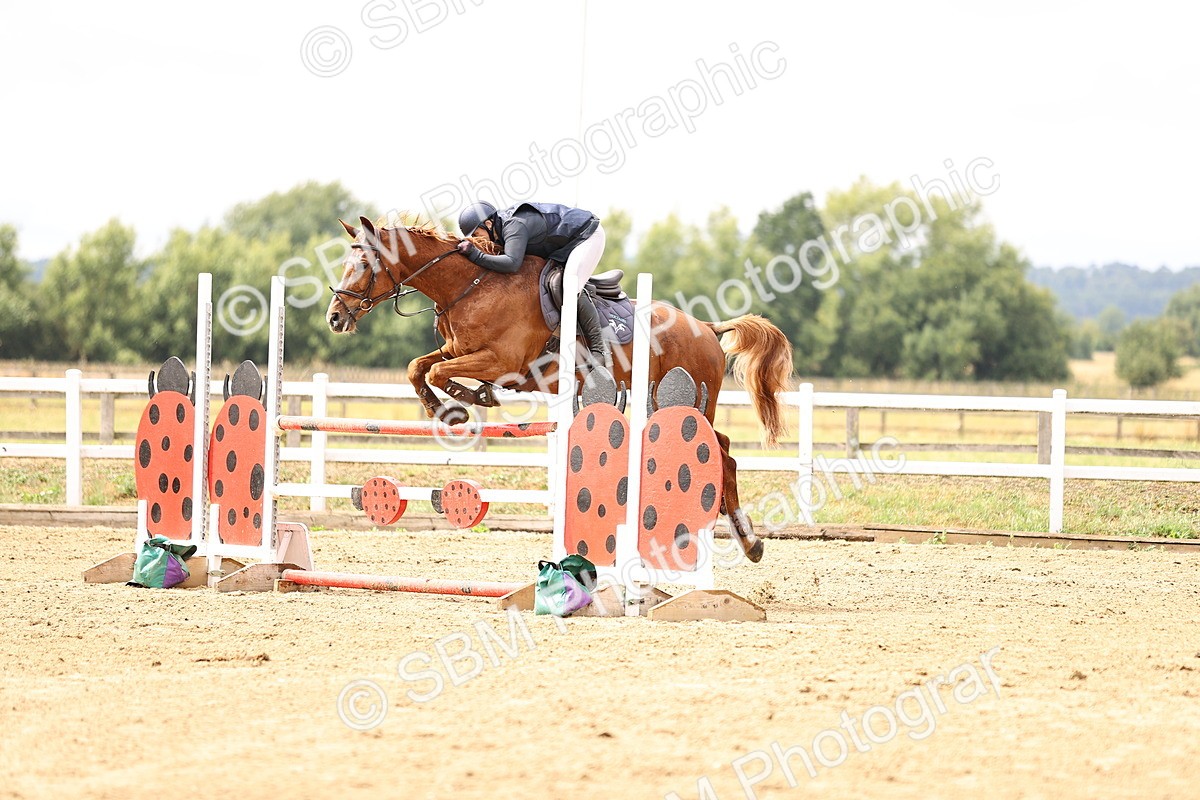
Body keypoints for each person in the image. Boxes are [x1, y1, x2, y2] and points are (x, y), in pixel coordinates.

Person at [457, 201, 610, 370]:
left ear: (488, 224)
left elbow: (512, 263)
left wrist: (475, 255)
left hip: (587, 236)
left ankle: (600, 351)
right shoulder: (500, 230)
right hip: (564, 244)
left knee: (569, 284)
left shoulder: (514, 225)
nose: (477, 240)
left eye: (477, 234)